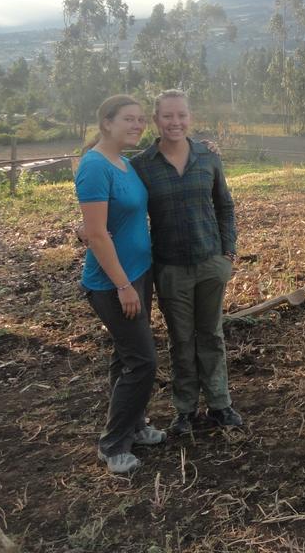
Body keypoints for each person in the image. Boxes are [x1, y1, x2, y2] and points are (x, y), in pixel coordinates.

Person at [131, 90, 242, 435]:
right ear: (156, 120)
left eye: (181, 115)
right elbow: (127, 209)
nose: (175, 122)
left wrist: (228, 252)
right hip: (171, 268)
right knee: (181, 339)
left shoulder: (208, 157)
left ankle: (220, 404)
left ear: (189, 118)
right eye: (167, 116)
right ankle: (185, 410)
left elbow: (224, 205)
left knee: (211, 334)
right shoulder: (141, 166)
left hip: (211, 262)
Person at [75, 95, 166, 474]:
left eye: (141, 120)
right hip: (114, 282)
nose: (137, 125)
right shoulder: (95, 167)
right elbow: (96, 235)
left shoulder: (124, 163)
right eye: (129, 119)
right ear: (106, 122)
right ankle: (113, 445)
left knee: (126, 357)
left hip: (138, 272)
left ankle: (135, 425)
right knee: (143, 362)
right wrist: (123, 286)